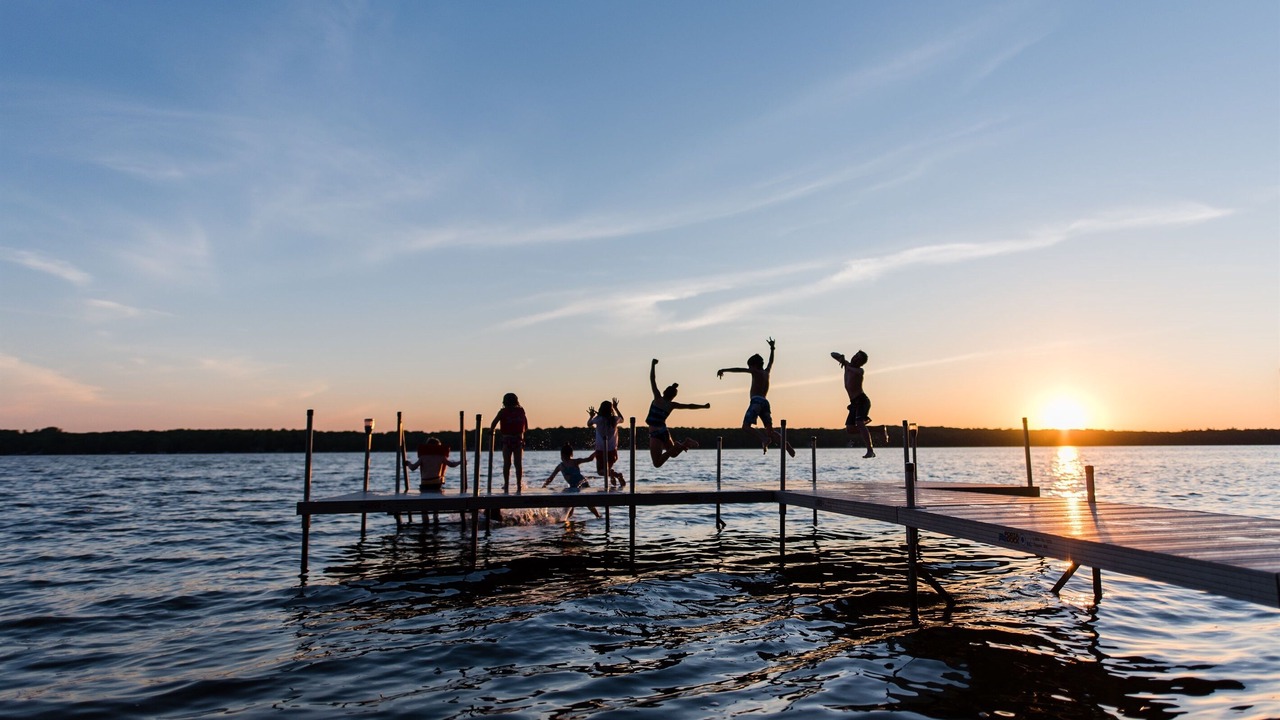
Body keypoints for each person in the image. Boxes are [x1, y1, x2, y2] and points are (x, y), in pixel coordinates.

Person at [717, 337, 795, 456]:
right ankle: (787, 445)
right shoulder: (766, 372)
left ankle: (763, 439)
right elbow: (771, 361)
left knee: (745, 427)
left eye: (749, 366)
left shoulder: (756, 372)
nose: (749, 369)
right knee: (770, 431)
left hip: (756, 402)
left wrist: (724, 369)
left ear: (754, 365)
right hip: (765, 402)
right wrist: (772, 348)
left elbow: (739, 369)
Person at [646, 358, 710, 467]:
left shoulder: (657, 398)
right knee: (674, 454)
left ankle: (679, 445)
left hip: (656, 434)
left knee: (657, 463)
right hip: (664, 431)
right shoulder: (672, 405)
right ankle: (685, 443)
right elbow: (689, 406)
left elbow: (652, 379)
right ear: (673, 396)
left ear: (664, 391)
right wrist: (703, 406)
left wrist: (653, 365)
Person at [831, 350, 875, 458]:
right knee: (850, 429)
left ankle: (870, 451)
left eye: (858, 358)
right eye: (855, 356)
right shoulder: (847, 365)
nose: (855, 358)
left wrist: (845, 364)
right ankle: (878, 429)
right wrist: (840, 357)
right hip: (854, 403)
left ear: (861, 362)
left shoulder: (860, 370)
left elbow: (855, 372)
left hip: (862, 400)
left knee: (859, 423)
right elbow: (832, 354)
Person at [542, 444, 601, 519]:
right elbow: (590, 458)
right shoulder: (566, 464)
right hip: (574, 487)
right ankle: (567, 521)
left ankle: (597, 516)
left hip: (583, 485)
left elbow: (550, 478)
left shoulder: (568, 464)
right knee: (570, 506)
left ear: (562, 455)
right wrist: (597, 451)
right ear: (571, 454)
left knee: (587, 503)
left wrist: (544, 486)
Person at [489, 392, 528, 492]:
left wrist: (491, 431)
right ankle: (518, 484)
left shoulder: (502, 412)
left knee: (507, 463)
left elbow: (494, 422)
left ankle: (506, 484)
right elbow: (525, 425)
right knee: (518, 464)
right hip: (518, 440)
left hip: (507, 440)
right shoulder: (521, 410)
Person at [588, 398, 627, 488]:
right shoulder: (614, 419)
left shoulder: (598, 419)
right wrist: (616, 408)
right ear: (611, 410)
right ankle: (615, 475)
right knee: (606, 470)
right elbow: (622, 419)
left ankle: (614, 474)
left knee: (600, 471)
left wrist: (591, 415)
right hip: (612, 450)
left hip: (600, 449)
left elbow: (589, 424)